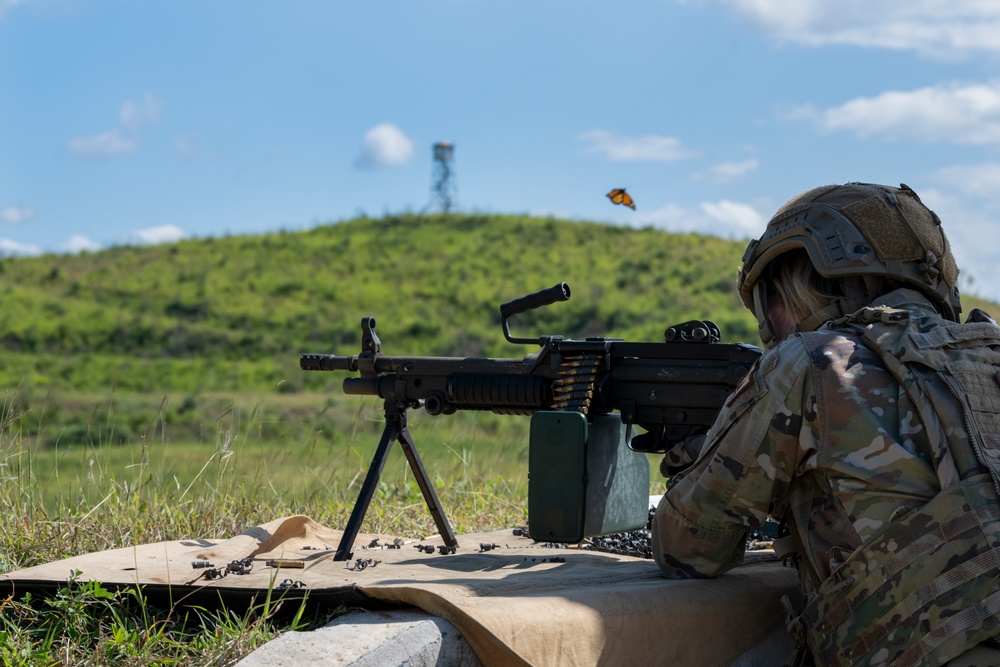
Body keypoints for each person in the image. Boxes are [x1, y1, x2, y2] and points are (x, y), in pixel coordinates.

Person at [651, 182, 1000, 667]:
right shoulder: (989, 358)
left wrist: (703, 456)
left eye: (770, 304)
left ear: (809, 283)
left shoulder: (813, 362)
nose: (769, 327)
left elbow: (686, 548)